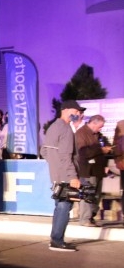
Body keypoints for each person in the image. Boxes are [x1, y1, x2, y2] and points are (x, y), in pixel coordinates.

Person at [41, 99, 86, 252]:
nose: (78, 114)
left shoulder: (53, 127)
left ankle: (55, 239)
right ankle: (57, 241)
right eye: (76, 111)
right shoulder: (66, 129)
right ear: (65, 110)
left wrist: (55, 165)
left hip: (56, 174)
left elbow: (44, 151)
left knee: (59, 206)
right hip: (66, 176)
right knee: (64, 207)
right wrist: (72, 176)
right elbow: (66, 156)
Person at [75, 114, 111, 226]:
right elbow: (83, 152)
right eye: (100, 127)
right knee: (88, 194)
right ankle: (85, 219)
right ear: (93, 123)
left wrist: (107, 149)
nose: (100, 129)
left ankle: (91, 216)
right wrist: (100, 150)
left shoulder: (98, 135)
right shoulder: (81, 133)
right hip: (87, 170)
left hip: (98, 169)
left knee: (96, 195)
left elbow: (104, 145)